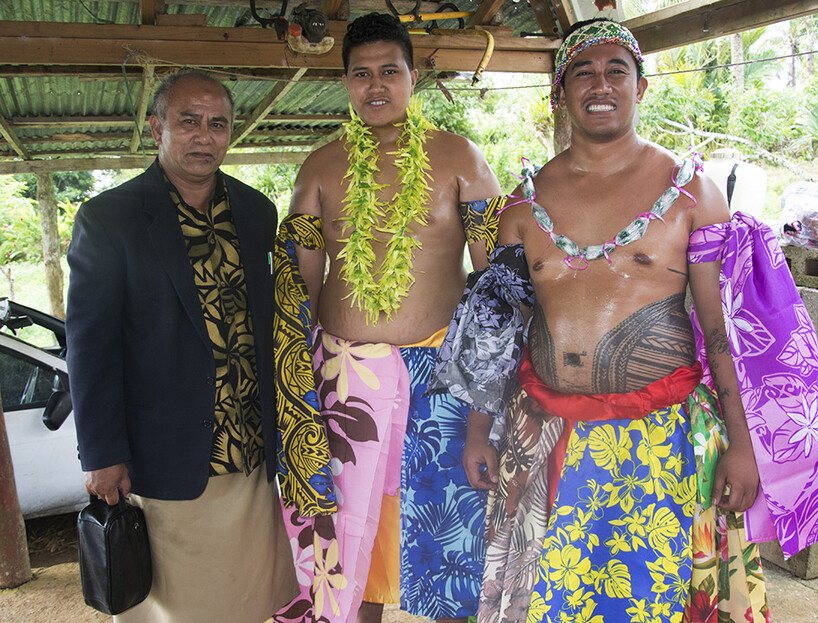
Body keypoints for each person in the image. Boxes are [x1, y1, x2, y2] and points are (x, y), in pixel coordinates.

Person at [431, 18, 818, 623]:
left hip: (660, 443)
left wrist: (744, 444)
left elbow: (721, 330)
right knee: (546, 607)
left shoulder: (691, 193)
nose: (601, 85)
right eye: (583, 73)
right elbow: (497, 332)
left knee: (658, 603)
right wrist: (475, 431)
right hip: (542, 442)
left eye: (615, 70)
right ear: (559, 93)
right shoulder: (521, 208)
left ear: (641, 87)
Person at [271, 12, 502, 623]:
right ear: (344, 81)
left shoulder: (461, 157)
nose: (375, 86)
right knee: (351, 536)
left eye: (389, 72)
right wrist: (299, 388)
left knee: (453, 530)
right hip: (346, 380)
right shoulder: (319, 167)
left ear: (412, 77)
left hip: (443, 380)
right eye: (361, 74)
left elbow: (497, 278)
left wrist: (491, 389)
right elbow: (300, 285)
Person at [66, 69, 297, 622]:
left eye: (218, 124)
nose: (204, 136)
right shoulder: (109, 219)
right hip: (169, 454)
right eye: (187, 121)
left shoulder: (256, 211)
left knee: (251, 597)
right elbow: (89, 347)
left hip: (253, 452)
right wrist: (100, 453)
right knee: (179, 607)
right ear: (156, 128)